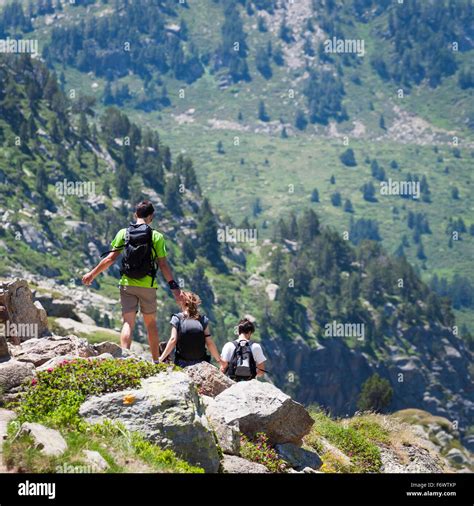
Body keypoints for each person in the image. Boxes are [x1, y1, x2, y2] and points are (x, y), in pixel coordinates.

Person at [81, 200, 182, 362]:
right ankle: (156, 361)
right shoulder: (156, 236)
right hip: (148, 286)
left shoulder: (124, 233)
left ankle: (124, 359)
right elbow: (162, 264)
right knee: (150, 324)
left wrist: (92, 274)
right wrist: (174, 288)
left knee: (128, 323)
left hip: (127, 284)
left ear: (135, 215)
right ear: (151, 216)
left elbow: (110, 259)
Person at [159, 291, 223, 368]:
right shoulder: (202, 320)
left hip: (182, 363)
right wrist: (219, 360)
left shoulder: (177, 318)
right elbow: (209, 342)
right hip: (201, 364)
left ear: (183, 303)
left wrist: (161, 359)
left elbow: (173, 340)